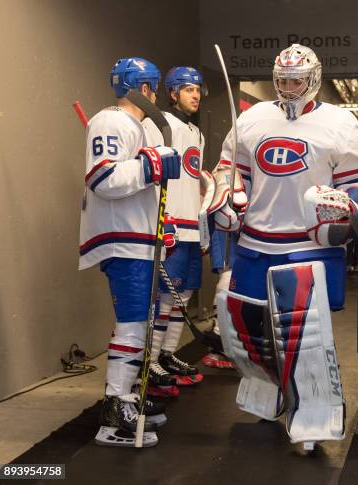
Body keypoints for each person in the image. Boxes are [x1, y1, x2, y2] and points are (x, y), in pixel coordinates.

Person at [215, 44, 358, 449]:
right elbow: (230, 170)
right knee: (251, 335)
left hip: (309, 246)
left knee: (305, 339)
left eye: (297, 81)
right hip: (255, 242)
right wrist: (226, 198)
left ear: (314, 79)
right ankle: (268, 394)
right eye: (283, 81)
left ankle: (314, 416)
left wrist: (348, 204)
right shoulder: (252, 118)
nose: (289, 89)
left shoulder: (339, 123)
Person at [78, 57, 181, 447]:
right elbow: (103, 178)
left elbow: (133, 184)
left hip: (135, 237)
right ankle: (115, 411)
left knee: (138, 321)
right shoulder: (111, 122)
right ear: (146, 88)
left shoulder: (131, 126)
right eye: (153, 88)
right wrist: (153, 163)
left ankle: (127, 397)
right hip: (121, 240)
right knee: (134, 322)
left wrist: (160, 224)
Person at [142, 67, 207, 395]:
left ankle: (168, 354)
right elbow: (150, 172)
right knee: (164, 298)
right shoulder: (157, 124)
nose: (194, 95)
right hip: (171, 225)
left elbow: (194, 181)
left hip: (193, 227)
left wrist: (204, 222)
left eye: (197, 89)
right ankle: (149, 360)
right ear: (172, 92)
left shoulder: (197, 132)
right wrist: (160, 218)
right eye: (187, 89)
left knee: (184, 296)